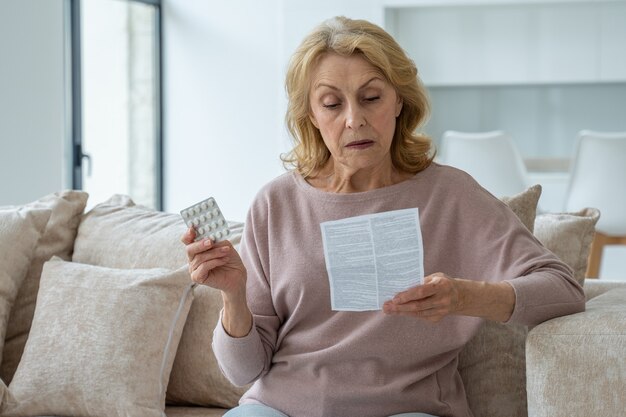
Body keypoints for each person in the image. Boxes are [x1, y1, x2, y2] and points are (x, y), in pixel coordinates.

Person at [181, 16, 585, 417]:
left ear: (399, 102)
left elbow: (563, 289)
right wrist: (234, 296)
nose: (354, 119)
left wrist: (463, 297)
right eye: (332, 104)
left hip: (407, 409)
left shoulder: (450, 195)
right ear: (311, 116)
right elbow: (243, 371)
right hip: (281, 408)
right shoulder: (276, 203)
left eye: (371, 98)